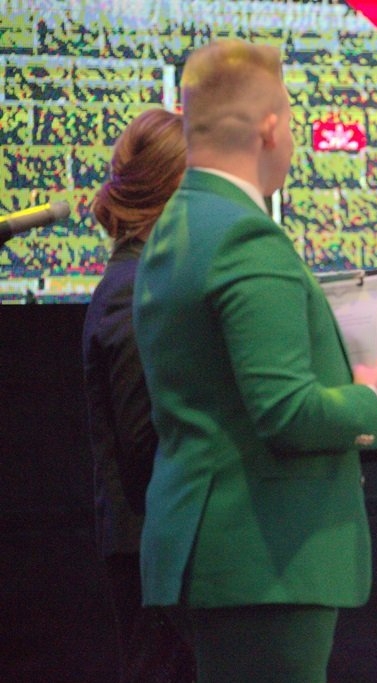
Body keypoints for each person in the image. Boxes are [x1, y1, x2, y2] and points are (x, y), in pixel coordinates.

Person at [132, 39, 377, 683]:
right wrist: (376, 397)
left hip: (209, 548)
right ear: (269, 130)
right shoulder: (245, 235)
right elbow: (288, 413)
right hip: (264, 561)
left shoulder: (179, 223)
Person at [82, 107, 194, 682]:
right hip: (156, 553)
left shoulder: (144, 280)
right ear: (174, 189)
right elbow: (145, 445)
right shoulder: (135, 290)